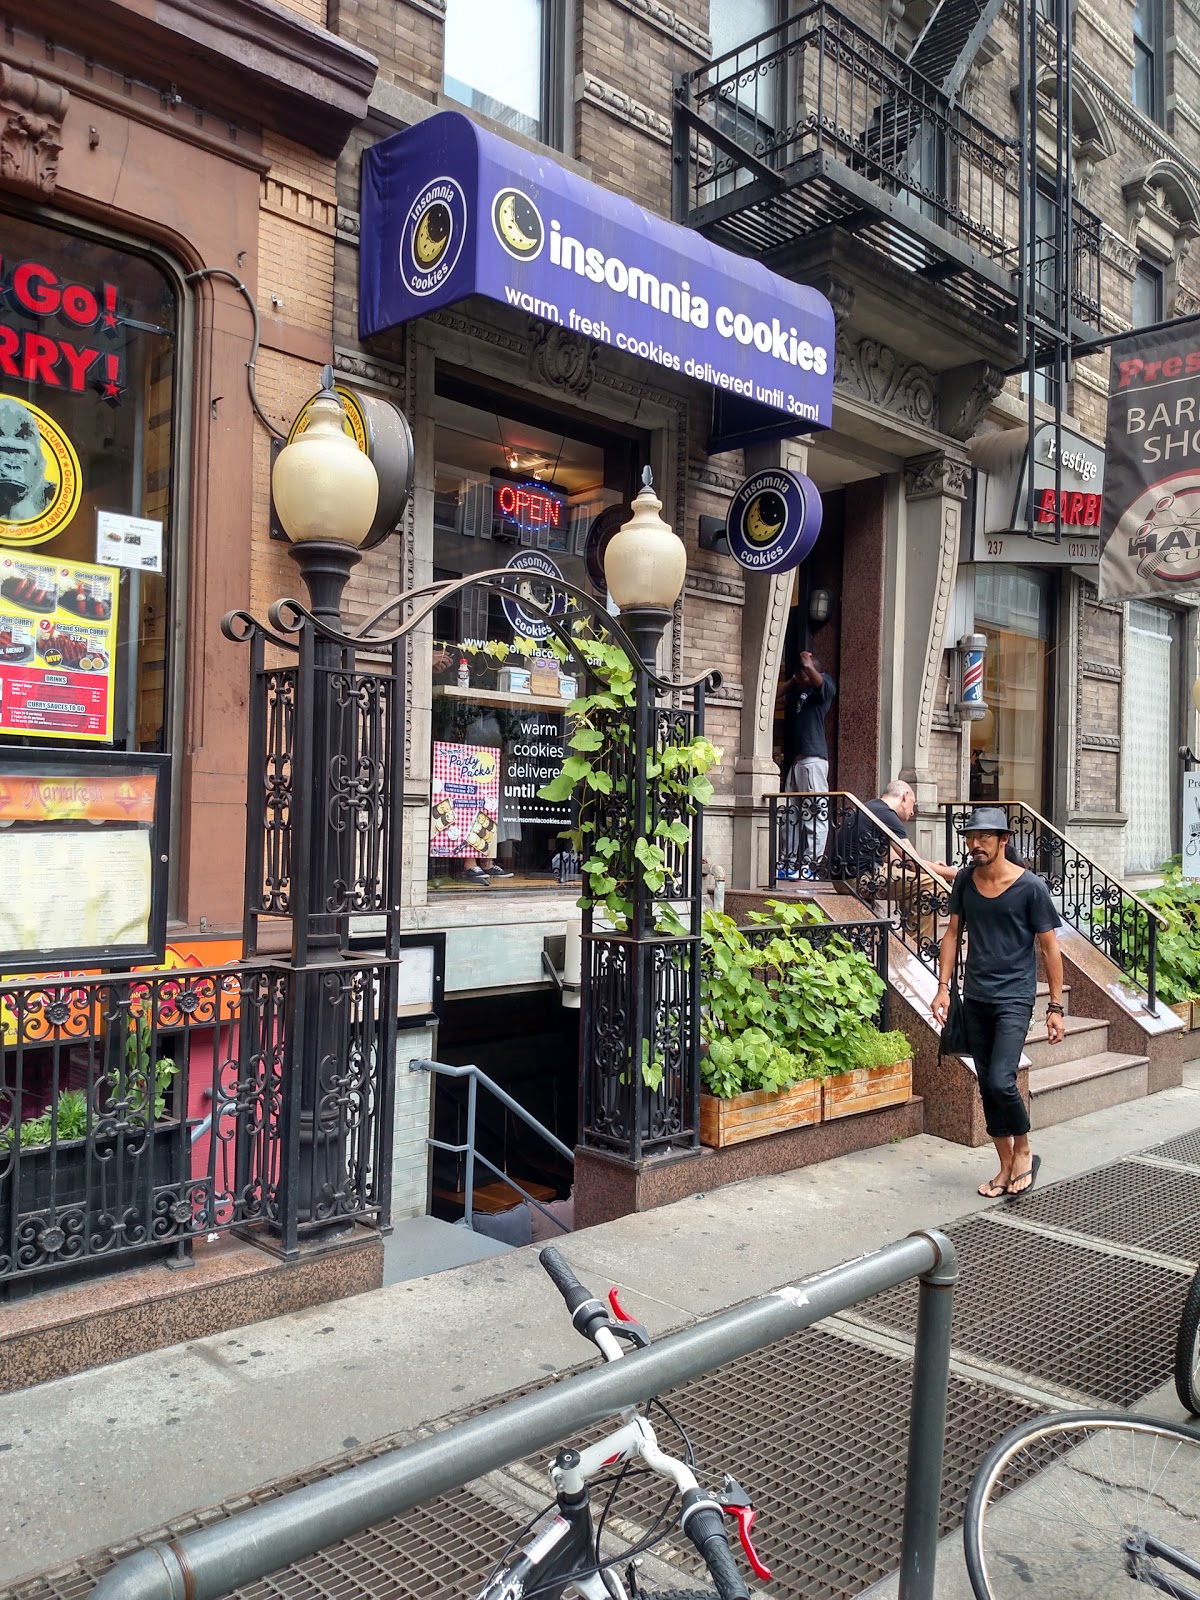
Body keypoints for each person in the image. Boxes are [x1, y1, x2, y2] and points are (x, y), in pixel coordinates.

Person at [931, 806, 1064, 1199]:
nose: (974, 845)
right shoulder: (966, 882)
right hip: (976, 997)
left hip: (1014, 998)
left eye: (983, 837)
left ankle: (1023, 1150)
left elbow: (1050, 949)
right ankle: (1004, 1163)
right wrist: (942, 987)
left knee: (1001, 1080)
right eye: (970, 838)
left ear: (1003, 840)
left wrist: (1055, 1008)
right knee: (986, 1085)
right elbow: (953, 934)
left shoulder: (1031, 887)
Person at [779, 650, 836, 872]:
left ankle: (809, 867)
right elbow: (773, 698)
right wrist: (793, 679)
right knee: (791, 815)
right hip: (795, 763)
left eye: (804, 670)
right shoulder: (798, 694)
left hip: (813, 760)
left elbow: (815, 675)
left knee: (815, 815)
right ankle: (788, 863)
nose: (801, 672)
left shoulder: (824, 688)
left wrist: (806, 660)